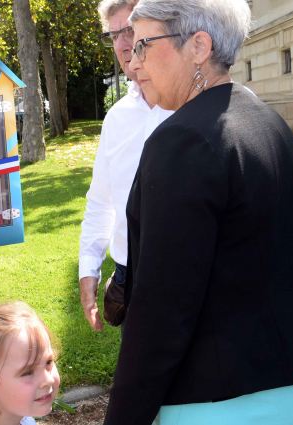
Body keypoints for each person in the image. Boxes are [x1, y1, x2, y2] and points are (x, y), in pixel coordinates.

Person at [102, 0, 293, 423]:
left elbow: (163, 309)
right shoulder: (265, 120)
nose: (134, 57)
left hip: (231, 397)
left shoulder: (181, 140)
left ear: (199, 45)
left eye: (144, 43)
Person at [78, 0, 173, 331]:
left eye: (130, 30)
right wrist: (89, 269)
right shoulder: (116, 118)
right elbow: (101, 200)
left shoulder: (192, 108)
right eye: (114, 34)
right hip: (127, 275)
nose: (122, 43)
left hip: (186, 273)